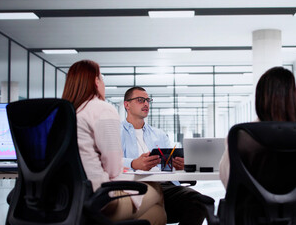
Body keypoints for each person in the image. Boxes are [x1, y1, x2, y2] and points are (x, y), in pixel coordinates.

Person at [62, 60, 166, 225]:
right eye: (102, 80)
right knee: (157, 191)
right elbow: (113, 168)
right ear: (97, 82)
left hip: (67, 199)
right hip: (99, 199)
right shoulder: (101, 109)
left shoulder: (64, 114)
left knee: (156, 213)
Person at [121, 86, 207, 225]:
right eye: (140, 100)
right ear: (127, 104)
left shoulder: (159, 134)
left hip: (164, 185)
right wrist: (133, 163)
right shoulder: (117, 132)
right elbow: (109, 161)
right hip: (136, 187)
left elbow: (169, 162)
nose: (146, 104)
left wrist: (179, 165)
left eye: (148, 100)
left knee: (200, 202)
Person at [219, 66, 296, 187]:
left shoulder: (242, 135)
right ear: (294, 98)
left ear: (260, 98)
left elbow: (228, 180)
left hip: (251, 205)